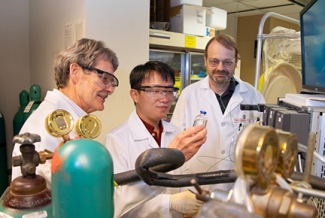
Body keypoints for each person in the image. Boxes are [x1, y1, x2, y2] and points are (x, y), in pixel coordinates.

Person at [11, 38, 207, 217]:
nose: (111, 89)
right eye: (104, 78)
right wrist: (169, 177)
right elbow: (90, 198)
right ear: (75, 72)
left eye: (112, 81)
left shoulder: (71, 122)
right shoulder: (49, 124)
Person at [104, 61, 205, 218]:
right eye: (156, 91)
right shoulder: (116, 140)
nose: (165, 99)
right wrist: (169, 203)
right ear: (135, 95)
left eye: (169, 91)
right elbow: (117, 201)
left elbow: (179, 180)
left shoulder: (175, 132)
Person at [171, 34, 266, 193]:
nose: (220, 68)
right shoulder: (189, 95)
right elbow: (175, 147)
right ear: (205, 60)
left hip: (239, 191)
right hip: (196, 190)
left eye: (227, 62)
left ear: (236, 62)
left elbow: (263, 147)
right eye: (214, 61)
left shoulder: (254, 97)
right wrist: (177, 194)